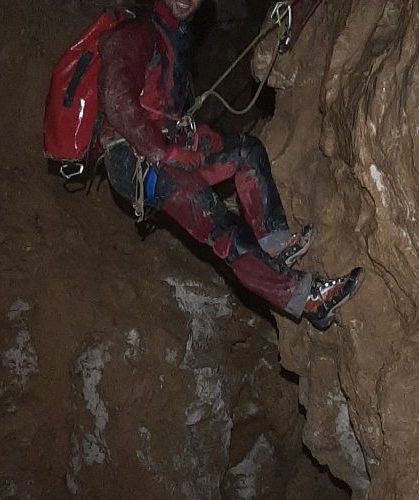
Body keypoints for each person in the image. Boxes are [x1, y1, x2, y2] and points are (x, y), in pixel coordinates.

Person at [96, 0, 362, 330]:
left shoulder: (174, 35)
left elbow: (162, 108)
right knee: (221, 225)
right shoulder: (135, 33)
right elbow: (117, 102)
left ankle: (275, 249)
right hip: (135, 159)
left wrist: (185, 140)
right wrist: (167, 152)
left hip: (166, 145)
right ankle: (308, 299)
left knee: (246, 151)